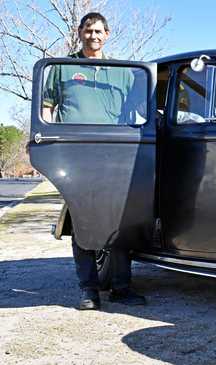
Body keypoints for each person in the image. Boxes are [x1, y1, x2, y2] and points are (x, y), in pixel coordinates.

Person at [42, 12, 146, 310]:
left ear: (108, 34)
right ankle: (89, 290)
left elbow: (139, 110)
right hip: (76, 155)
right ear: (80, 32)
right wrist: (51, 144)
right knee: (83, 223)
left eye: (99, 31)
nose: (94, 36)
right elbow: (48, 110)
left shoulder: (123, 71)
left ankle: (122, 287)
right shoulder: (62, 68)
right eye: (88, 30)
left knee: (120, 221)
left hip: (116, 154)